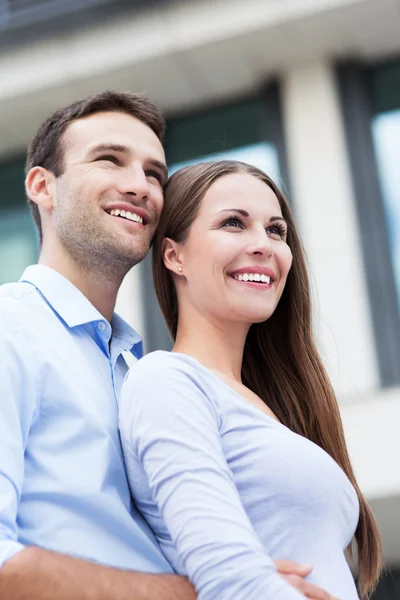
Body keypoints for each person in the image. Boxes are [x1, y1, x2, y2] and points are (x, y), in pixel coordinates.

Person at [0, 92, 331, 600]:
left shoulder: (137, 368)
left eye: (155, 173)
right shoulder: (10, 327)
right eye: (110, 159)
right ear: (43, 186)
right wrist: (201, 591)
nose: (139, 186)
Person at [119, 160, 383, 600]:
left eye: (276, 230)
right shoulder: (166, 381)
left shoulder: (271, 405)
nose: (263, 245)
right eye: (233, 223)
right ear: (173, 255)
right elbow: (227, 577)